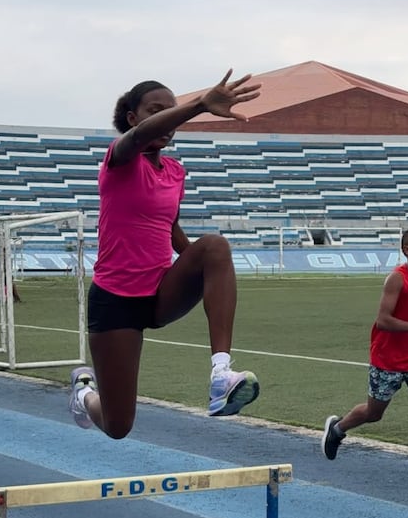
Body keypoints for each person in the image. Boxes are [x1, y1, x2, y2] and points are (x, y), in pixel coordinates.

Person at [68, 69, 262, 438]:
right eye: (156, 111)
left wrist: (199, 266)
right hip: (116, 300)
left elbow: (169, 226)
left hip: (158, 291)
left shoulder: (174, 171)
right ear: (132, 118)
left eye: (170, 112)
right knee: (118, 425)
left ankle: (221, 375)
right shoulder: (120, 159)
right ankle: (83, 395)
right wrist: (200, 105)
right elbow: (139, 138)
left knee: (216, 245)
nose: (167, 120)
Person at [321, 225, 408, 503]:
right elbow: (383, 321)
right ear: (407, 250)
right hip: (387, 360)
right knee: (374, 413)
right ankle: (337, 429)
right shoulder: (396, 280)